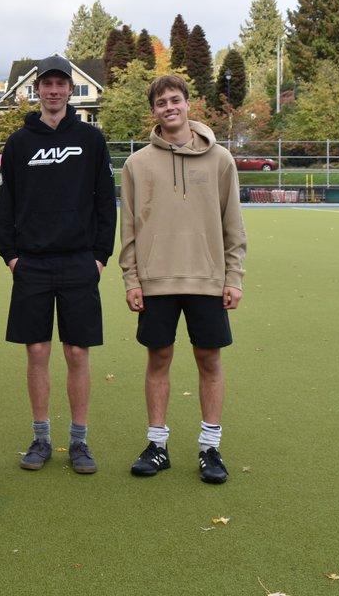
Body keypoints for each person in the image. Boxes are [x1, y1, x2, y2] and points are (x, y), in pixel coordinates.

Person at [120, 74, 246, 485]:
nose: (169, 107)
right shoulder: (136, 164)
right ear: (153, 111)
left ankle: (210, 447)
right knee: (158, 360)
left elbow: (233, 224)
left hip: (208, 279)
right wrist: (131, 279)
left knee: (209, 361)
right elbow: (129, 228)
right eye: (161, 103)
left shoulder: (221, 160)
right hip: (156, 281)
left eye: (175, 100)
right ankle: (157, 445)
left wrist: (234, 276)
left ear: (189, 104)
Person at [0, 55, 115, 475]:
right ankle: (41, 438)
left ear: (69, 89)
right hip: (32, 265)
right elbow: (5, 204)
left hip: (80, 262)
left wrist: (100, 257)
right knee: (38, 350)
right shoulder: (19, 143)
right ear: (37, 89)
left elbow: (105, 201)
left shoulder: (90, 140)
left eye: (61, 84)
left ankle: (79, 441)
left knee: (77, 352)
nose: (54, 90)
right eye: (47, 84)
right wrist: (10, 255)